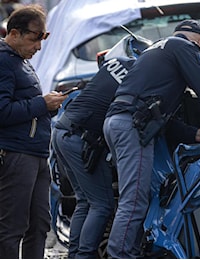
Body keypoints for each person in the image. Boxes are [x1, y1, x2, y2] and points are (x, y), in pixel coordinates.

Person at [103, 19, 200, 258]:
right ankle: (120, 256)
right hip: (132, 126)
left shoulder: (156, 49)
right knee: (134, 200)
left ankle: (132, 252)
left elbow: (161, 113)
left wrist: (194, 133)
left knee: (138, 196)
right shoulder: (184, 47)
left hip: (118, 122)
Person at [51, 54, 137, 258]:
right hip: (81, 139)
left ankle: (75, 255)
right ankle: (84, 255)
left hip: (63, 131)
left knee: (85, 201)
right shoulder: (138, 77)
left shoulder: (118, 64)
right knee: (102, 204)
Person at [0, 4, 67, 258]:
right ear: (14, 33)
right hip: (16, 154)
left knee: (39, 225)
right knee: (12, 227)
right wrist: (42, 103)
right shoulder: (4, 60)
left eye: (43, 38)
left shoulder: (21, 61)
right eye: (34, 38)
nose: (39, 46)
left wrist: (48, 106)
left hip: (36, 153)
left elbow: (25, 109)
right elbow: (2, 111)